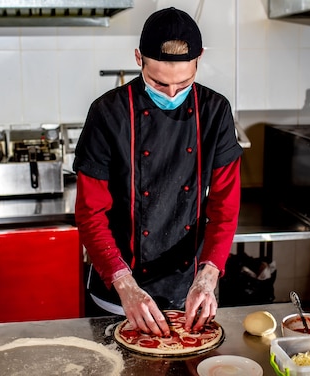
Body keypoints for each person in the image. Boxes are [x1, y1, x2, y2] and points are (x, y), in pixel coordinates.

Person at [73, 7, 242, 338]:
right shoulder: (108, 113)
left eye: (184, 82)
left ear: (200, 60)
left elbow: (225, 208)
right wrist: (125, 285)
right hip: (117, 294)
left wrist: (208, 277)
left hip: (189, 290)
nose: (172, 93)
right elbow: (90, 213)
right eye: (158, 83)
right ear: (138, 58)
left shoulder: (215, 111)